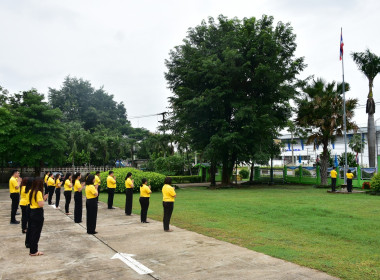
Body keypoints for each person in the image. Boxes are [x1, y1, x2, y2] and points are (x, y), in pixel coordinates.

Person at [28, 178, 48, 256]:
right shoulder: (38, 192)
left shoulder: (31, 191)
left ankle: (32, 250)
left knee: (33, 231)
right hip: (37, 213)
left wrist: (42, 199)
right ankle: (34, 251)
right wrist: (44, 199)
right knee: (36, 232)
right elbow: (41, 204)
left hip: (32, 211)